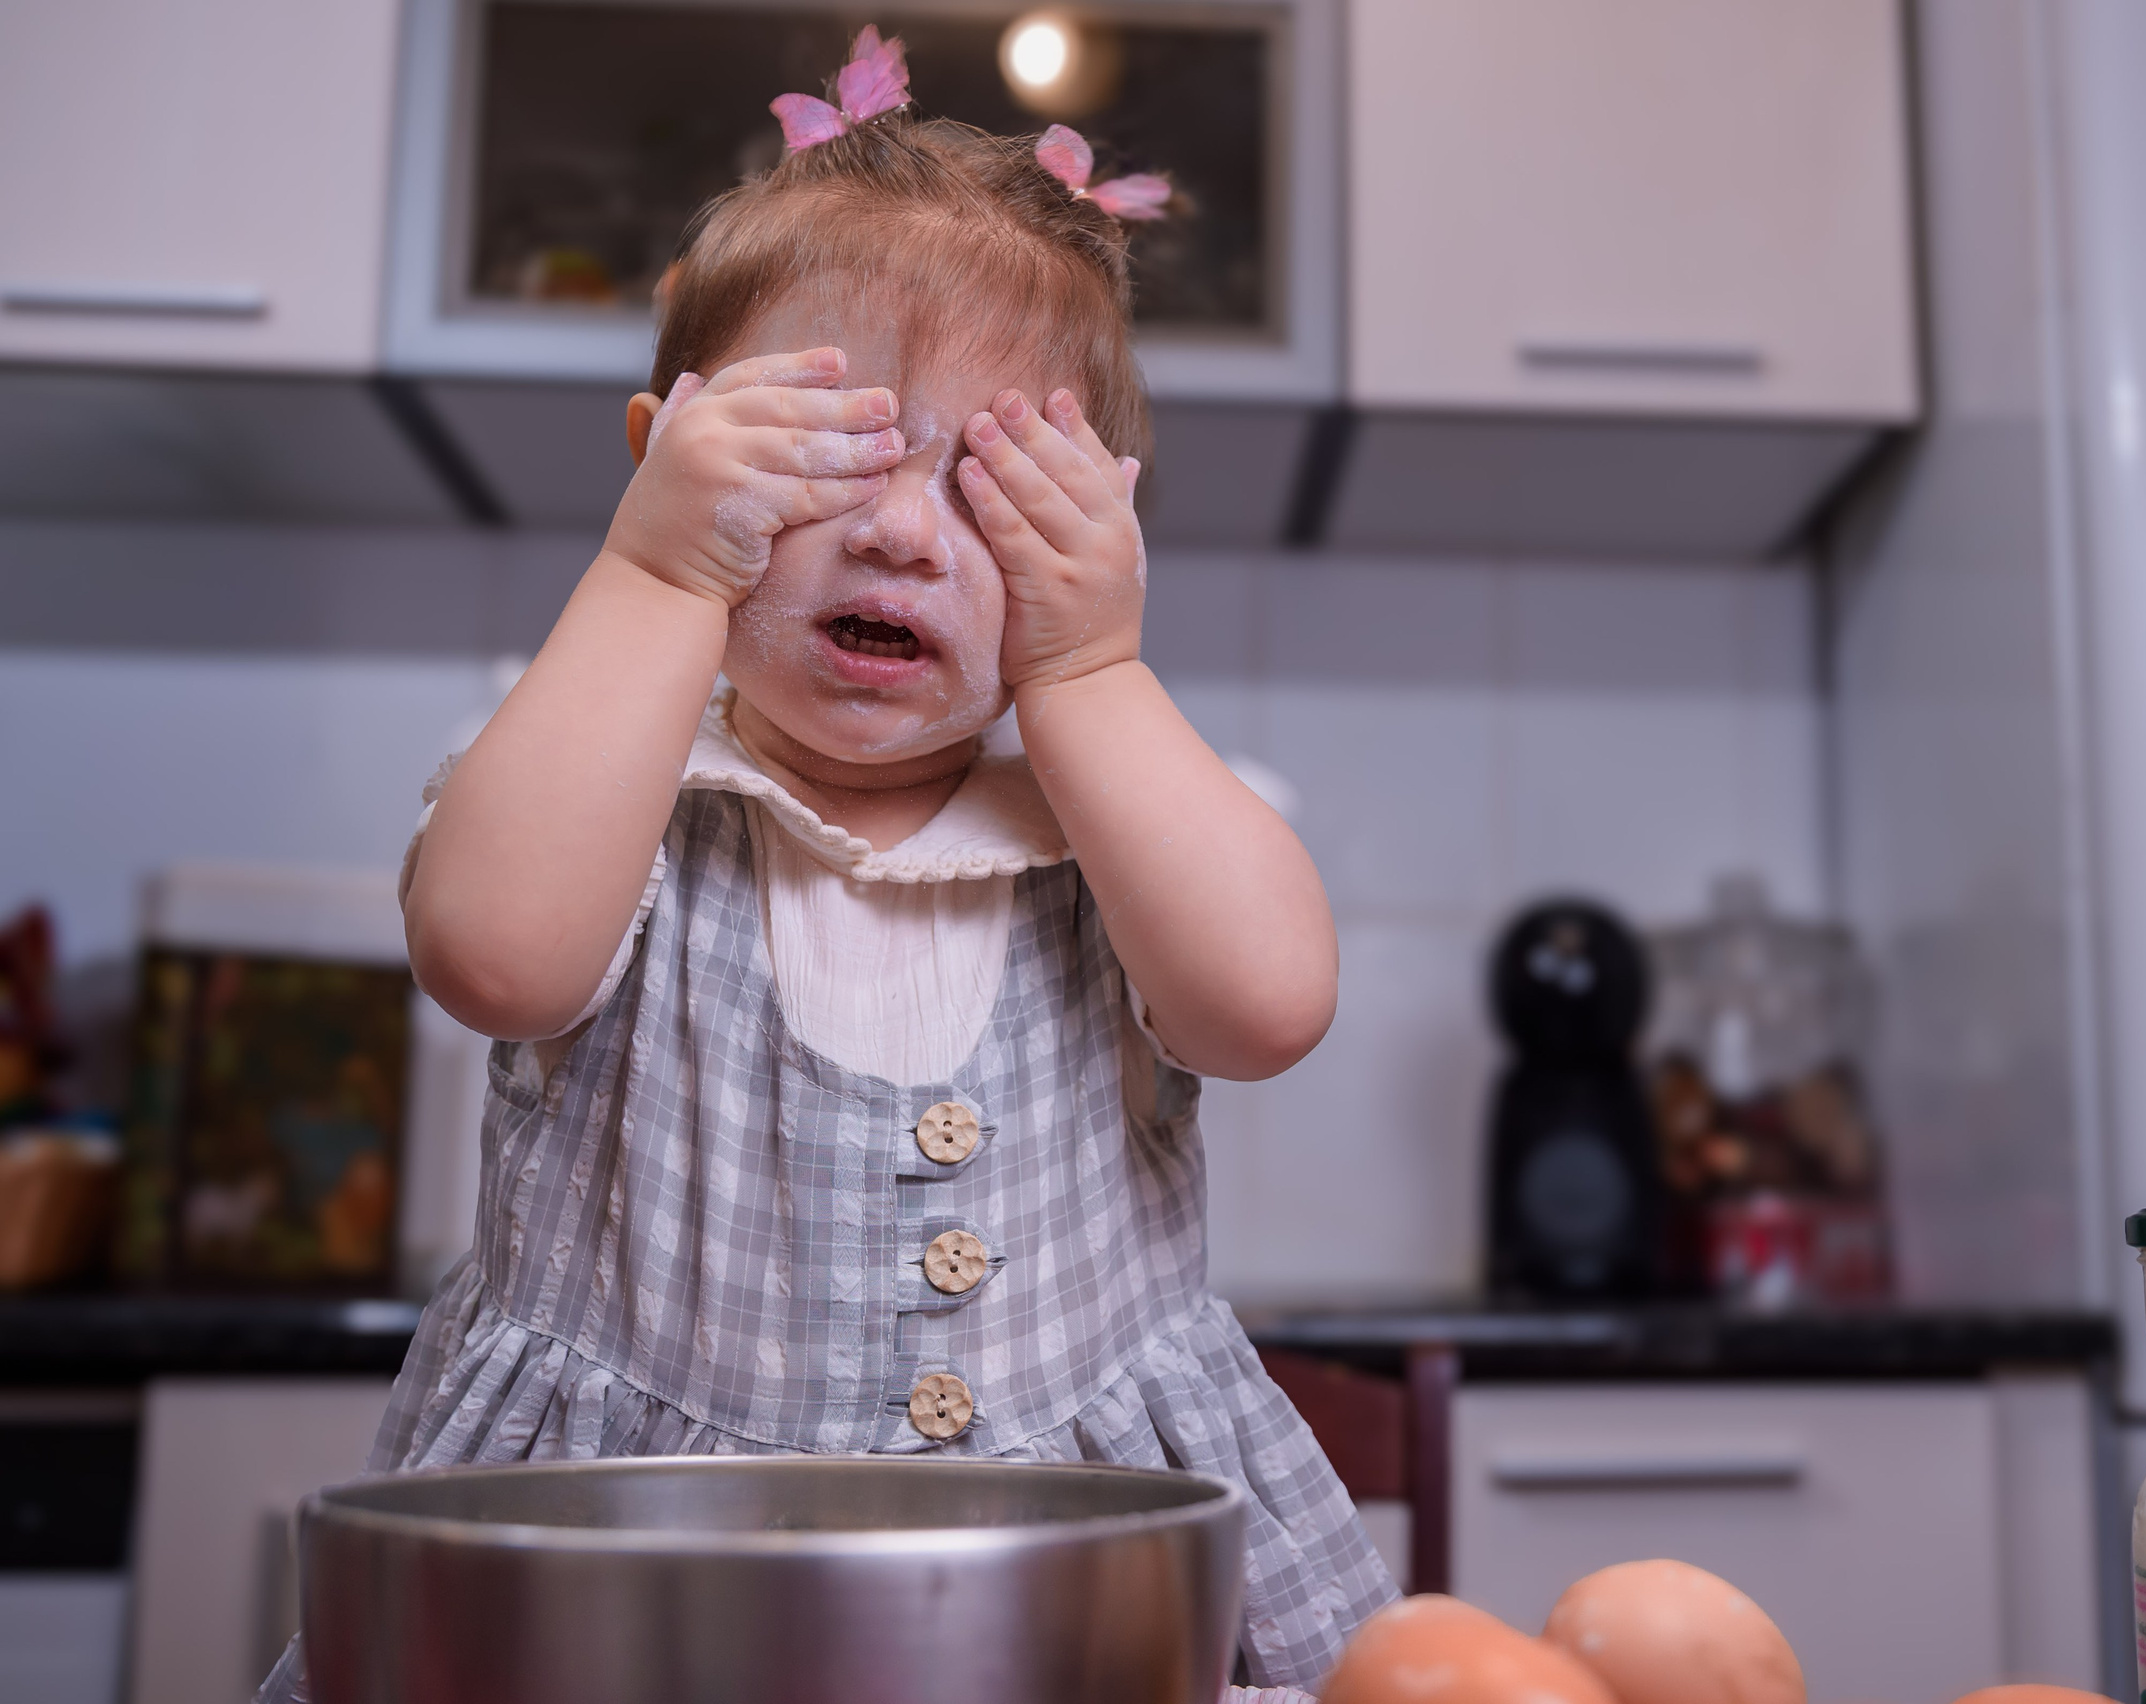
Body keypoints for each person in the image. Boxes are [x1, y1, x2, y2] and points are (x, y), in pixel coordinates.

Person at [259, 29, 1392, 1702]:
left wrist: (1091, 671)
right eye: (828, 451)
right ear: (665, 458)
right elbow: (495, 957)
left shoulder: (1108, 817)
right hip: (627, 1604)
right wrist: (656, 575)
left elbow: (1269, 1006)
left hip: (1070, 1605)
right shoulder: (620, 784)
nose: (901, 531)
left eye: (991, 485)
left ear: (1103, 526)